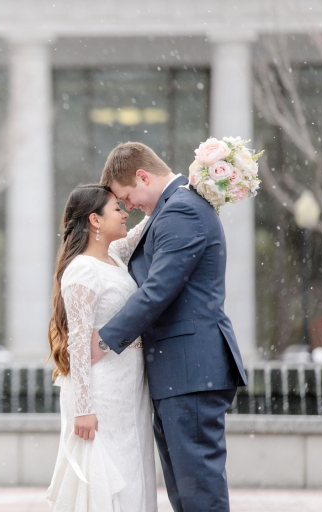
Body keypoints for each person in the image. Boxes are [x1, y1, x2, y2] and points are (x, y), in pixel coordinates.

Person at [96, 142, 247, 512]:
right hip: (182, 370)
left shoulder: (181, 209)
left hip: (190, 370)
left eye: (126, 196)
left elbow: (158, 290)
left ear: (143, 176)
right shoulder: (175, 207)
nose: (129, 206)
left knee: (199, 492)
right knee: (186, 492)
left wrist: (103, 340)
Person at [46, 184, 156, 512]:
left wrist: (193, 181)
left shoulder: (116, 256)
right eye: (117, 209)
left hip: (129, 385)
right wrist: (84, 409)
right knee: (107, 479)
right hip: (100, 390)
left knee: (134, 469)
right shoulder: (82, 269)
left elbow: (148, 221)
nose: (125, 214)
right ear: (94, 220)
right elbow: (79, 342)